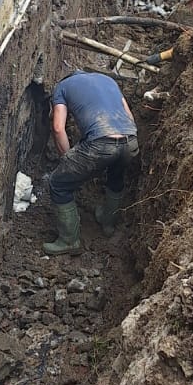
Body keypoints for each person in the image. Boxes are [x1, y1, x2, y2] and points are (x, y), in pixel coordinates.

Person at [43, 70, 139, 256]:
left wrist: (68, 158)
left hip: (100, 143)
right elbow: (129, 116)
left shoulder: (62, 87)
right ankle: (107, 223)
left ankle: (69, 241)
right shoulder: (108, 80)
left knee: (58, 184)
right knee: (115, 176)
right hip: (130, 140)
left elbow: (57, 127)